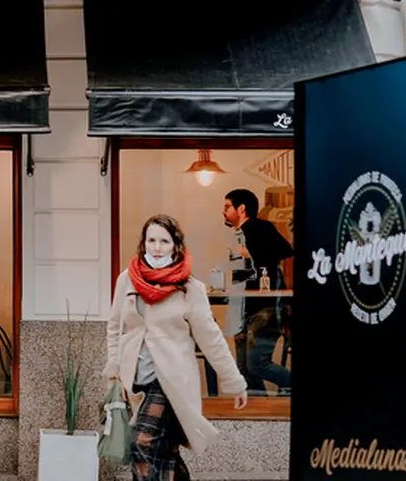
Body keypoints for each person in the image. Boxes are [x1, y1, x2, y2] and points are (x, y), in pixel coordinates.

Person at [105, 214, 247, 480]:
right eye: (151, 240)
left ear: (175, 245)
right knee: (165, 451)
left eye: (164, 241)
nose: (157, 248)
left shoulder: (190, 288)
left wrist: (234, 381)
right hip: (136, 379)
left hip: (172, 381)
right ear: (143, 243)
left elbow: (211, 338)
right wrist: (114, 366)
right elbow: (115, 326)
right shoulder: (128, 279)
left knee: (142, 443)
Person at [223, 188, 293, 395]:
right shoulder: (239, 236)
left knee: (256, 365)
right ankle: (257, 409)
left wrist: (252, 252)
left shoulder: (260, 228)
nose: (223, 212)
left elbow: (285, 250)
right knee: (245, 370)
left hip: (265, 308)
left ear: (241, 208)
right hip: (245, 308)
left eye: (227, 206)